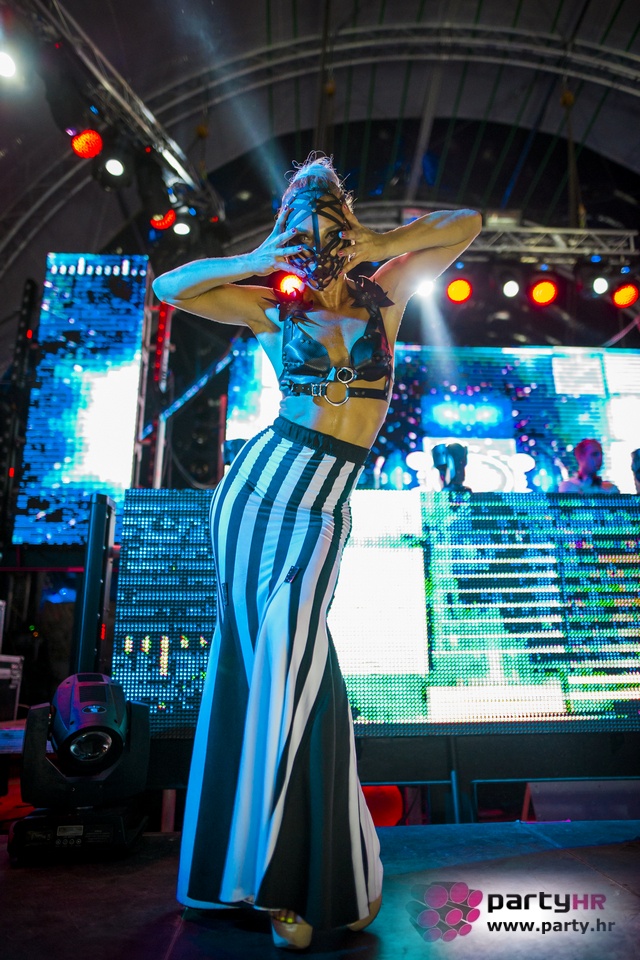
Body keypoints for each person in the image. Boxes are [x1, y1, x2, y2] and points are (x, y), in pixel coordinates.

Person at [152, 154, 481, 949]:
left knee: (298, 675)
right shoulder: (273, 308)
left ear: (347, 227)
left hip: (323, 507)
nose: (317, 244)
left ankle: (304, 871)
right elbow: (169, 287)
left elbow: (467, 224)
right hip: (255, 495)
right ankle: (277, 885)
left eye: (328, 228)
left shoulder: (386, 294)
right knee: (269, 669)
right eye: (302, 231)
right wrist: (260, 257)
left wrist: (376, 241)